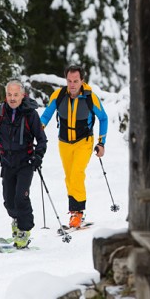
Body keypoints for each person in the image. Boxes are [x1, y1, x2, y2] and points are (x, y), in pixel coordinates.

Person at [0, 79, 47, 249]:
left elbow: (42, 139)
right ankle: (17, 220)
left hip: (26, 162)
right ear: (5, 95)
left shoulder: (30, 114)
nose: (12, 98)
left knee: (21, 197)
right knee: (8, 200)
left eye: (16, 94)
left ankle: (24, 230)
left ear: (23, 95)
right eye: (9, 94)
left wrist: (38, 156)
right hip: (7, 162)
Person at [40, 64, 108, 228]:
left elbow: (103, 118)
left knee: (77, 173)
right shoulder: (59, 95)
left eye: (75, 81)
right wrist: (37, 131)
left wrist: (101, 143)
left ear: (82, 81)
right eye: (69, 81)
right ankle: (74, 213)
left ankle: (78, 212)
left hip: (84, 142)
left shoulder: (91, 97)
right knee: (69, 177)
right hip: (64, 142)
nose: (72, 85)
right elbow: (46, 115)